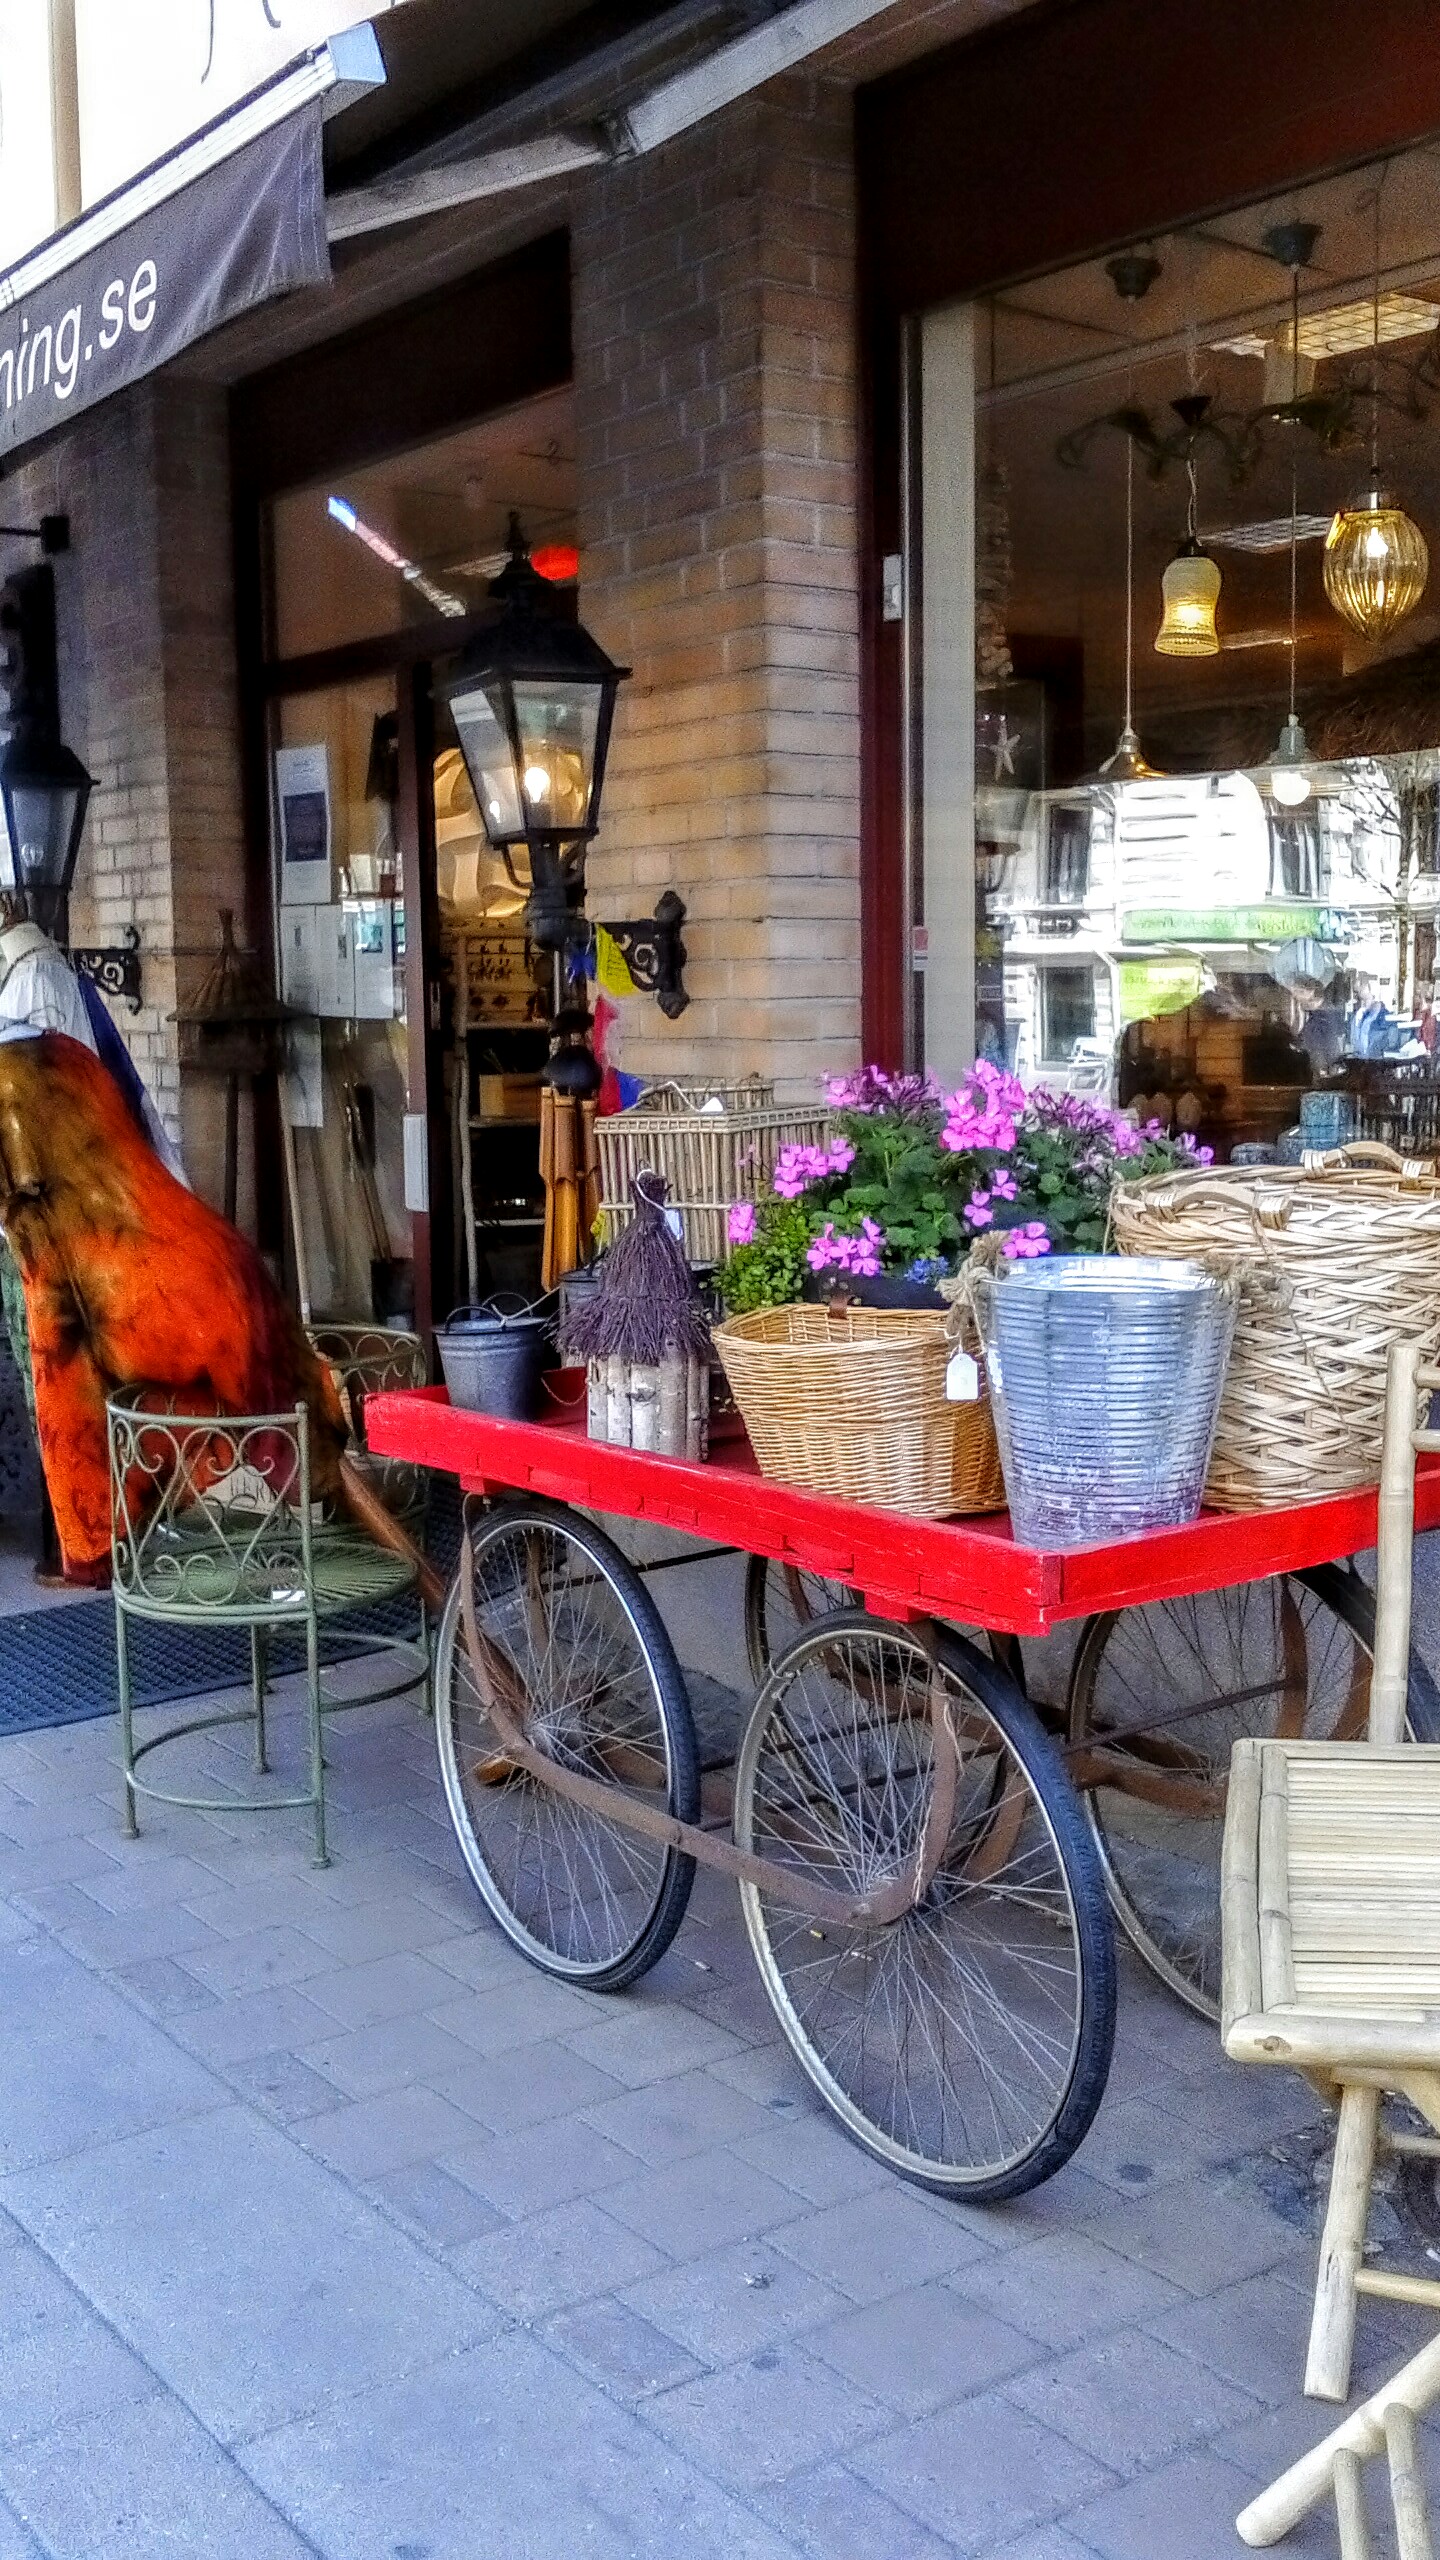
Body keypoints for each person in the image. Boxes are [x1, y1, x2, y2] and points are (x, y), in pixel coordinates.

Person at [0, 897, 182, 1575]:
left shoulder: (37, 983)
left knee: (64, 1376)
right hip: (50, 1215)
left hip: (56, 1222)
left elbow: (51, 1113)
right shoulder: (36, 977)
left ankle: (88, 1534)